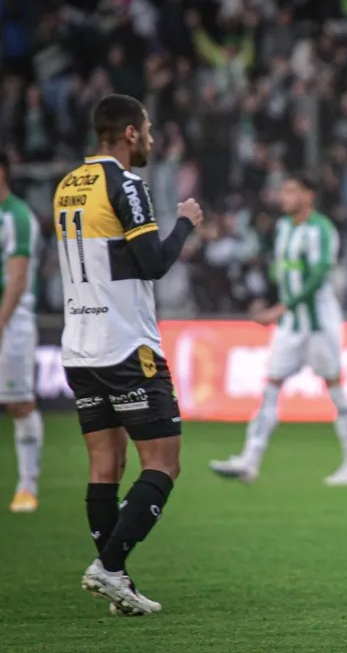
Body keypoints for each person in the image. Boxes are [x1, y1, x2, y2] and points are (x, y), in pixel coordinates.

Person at [52, 94, 203, 616]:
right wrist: (185, 222)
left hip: (78, 345)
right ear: (131, 134)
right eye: (150, 130)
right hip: (125, 344)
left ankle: (117, 583)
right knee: (164, 463)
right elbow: (153, 262)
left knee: (104, 465)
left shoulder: (68, 184)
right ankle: (110, 567)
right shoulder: (127, 184)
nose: (154, 139)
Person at [209, 173, 347, 486]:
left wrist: (281, 308)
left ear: (309, 196)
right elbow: (279, 273)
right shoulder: (282, 229)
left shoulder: (321, 229)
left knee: (334, 386)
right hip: (291, 324)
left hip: (320, 323)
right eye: (283, 191)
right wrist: (266, 301)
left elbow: (319, 275)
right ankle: (250, 460)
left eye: (292, 191)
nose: (284, 197)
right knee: (271, 385)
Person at [0, 151, 44, 513]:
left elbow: (16, 278)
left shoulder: (17, 216)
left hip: (11, 322)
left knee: (19, 402)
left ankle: (27, 486)